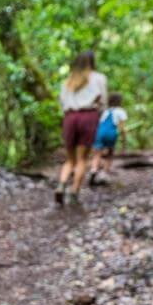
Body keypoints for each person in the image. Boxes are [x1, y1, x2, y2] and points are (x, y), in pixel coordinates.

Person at [55, 50, 107, 205]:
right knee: (82, 159)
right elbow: (103, 101)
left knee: (70, 159)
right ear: (92, 62)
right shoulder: (99, 78)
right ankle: (74, 192)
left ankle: (61, 184)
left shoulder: (69, 80)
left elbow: (63, 102)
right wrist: (100, 116)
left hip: (70, 118)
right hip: (88, 116)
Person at [88, 92, 128, 185]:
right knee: (109, 154)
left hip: (100, 132)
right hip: (111, 133)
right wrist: (123, 139)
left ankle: (94, 169)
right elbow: (121, 127)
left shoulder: (106, 111)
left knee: (97, 153)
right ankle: (104, 174)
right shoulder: (121, 111)